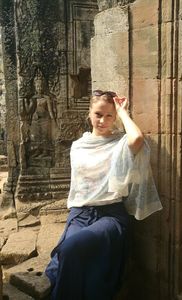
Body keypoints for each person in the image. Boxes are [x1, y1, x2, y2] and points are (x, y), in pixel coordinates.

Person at [45, 90, 162, 300]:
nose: (103, 120)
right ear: (89, 113)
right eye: (98, 114)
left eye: (109, 116)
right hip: (80, 214)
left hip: (111, 215)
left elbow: (137, 139)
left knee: (71, 248)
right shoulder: (79, 146)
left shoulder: (119, 143)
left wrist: (122, 111)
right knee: (69, 253)